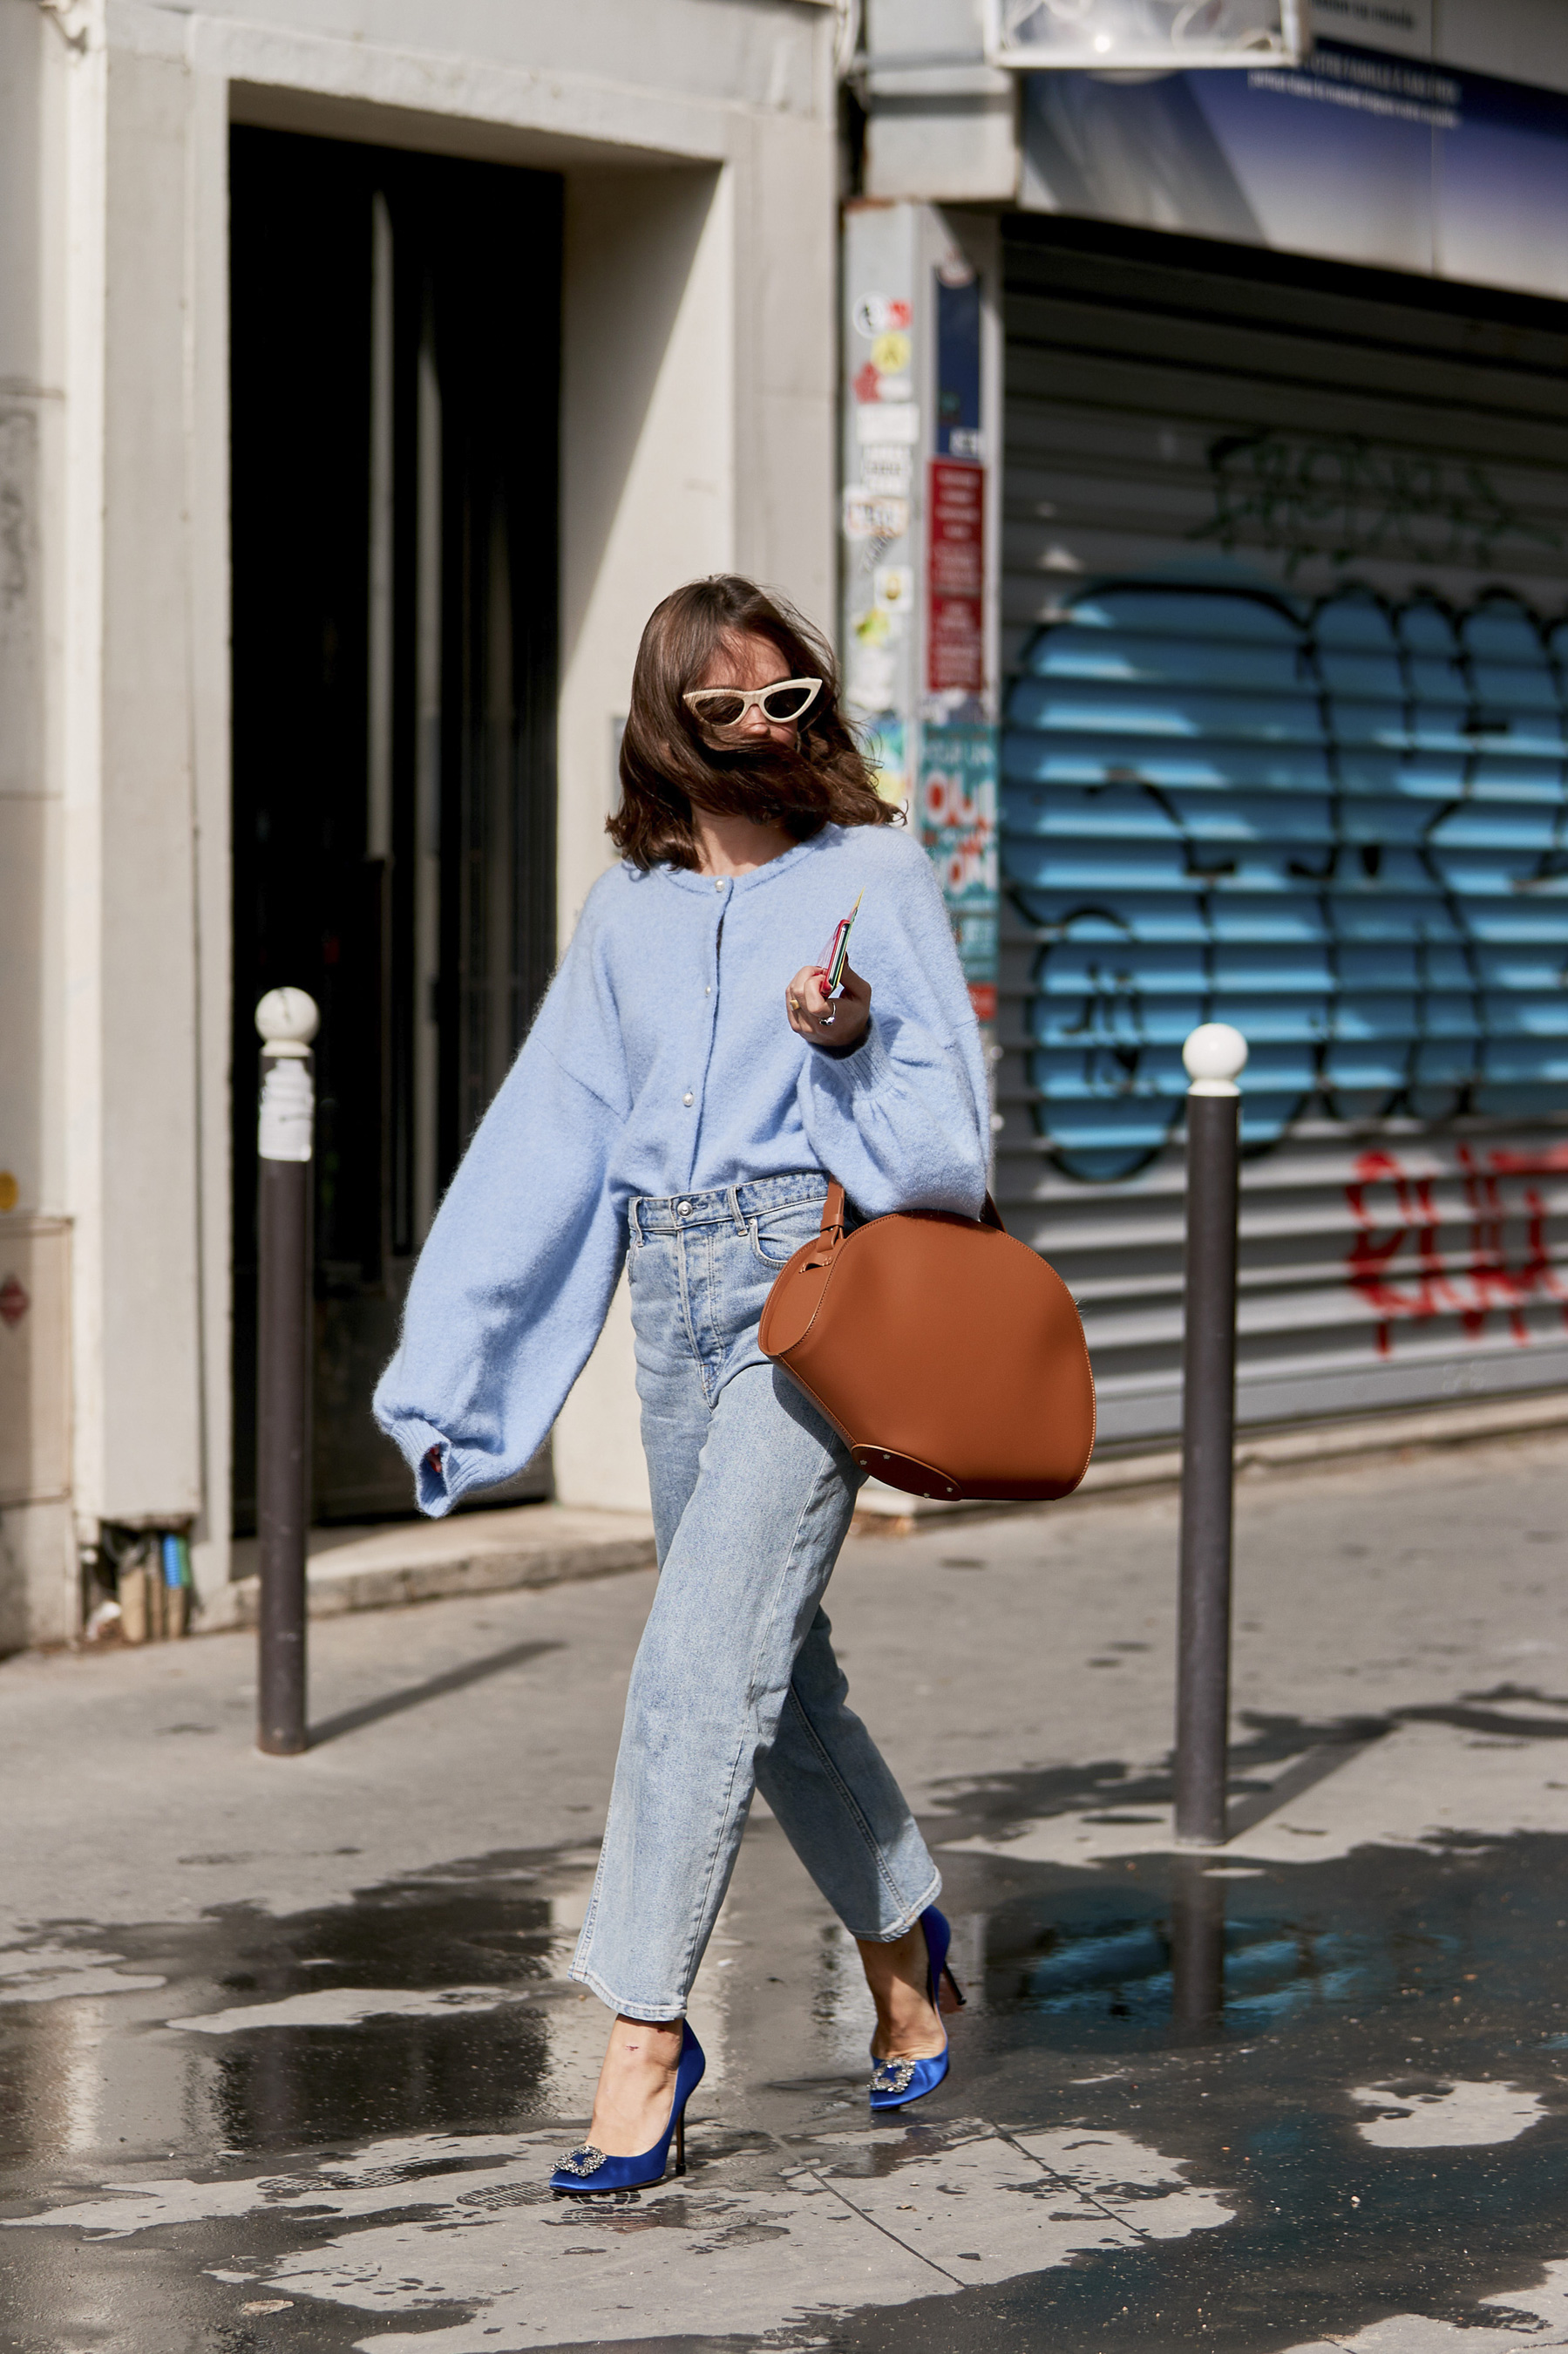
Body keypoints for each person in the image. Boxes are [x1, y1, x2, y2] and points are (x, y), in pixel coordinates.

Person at [374, 575, 990, 2193]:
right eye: (725, 706)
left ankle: (645, 2030)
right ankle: (905, 1937)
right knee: (772, 1677)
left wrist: (850, 1040)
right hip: (675, 1290)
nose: (761, 730)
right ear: (668, 722)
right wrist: (456, 1383)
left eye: (786, 701)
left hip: (818, 1285)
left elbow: (950, 1142)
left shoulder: (873, 871)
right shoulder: (626, 915)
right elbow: (546, 1153)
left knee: (696, 1668)